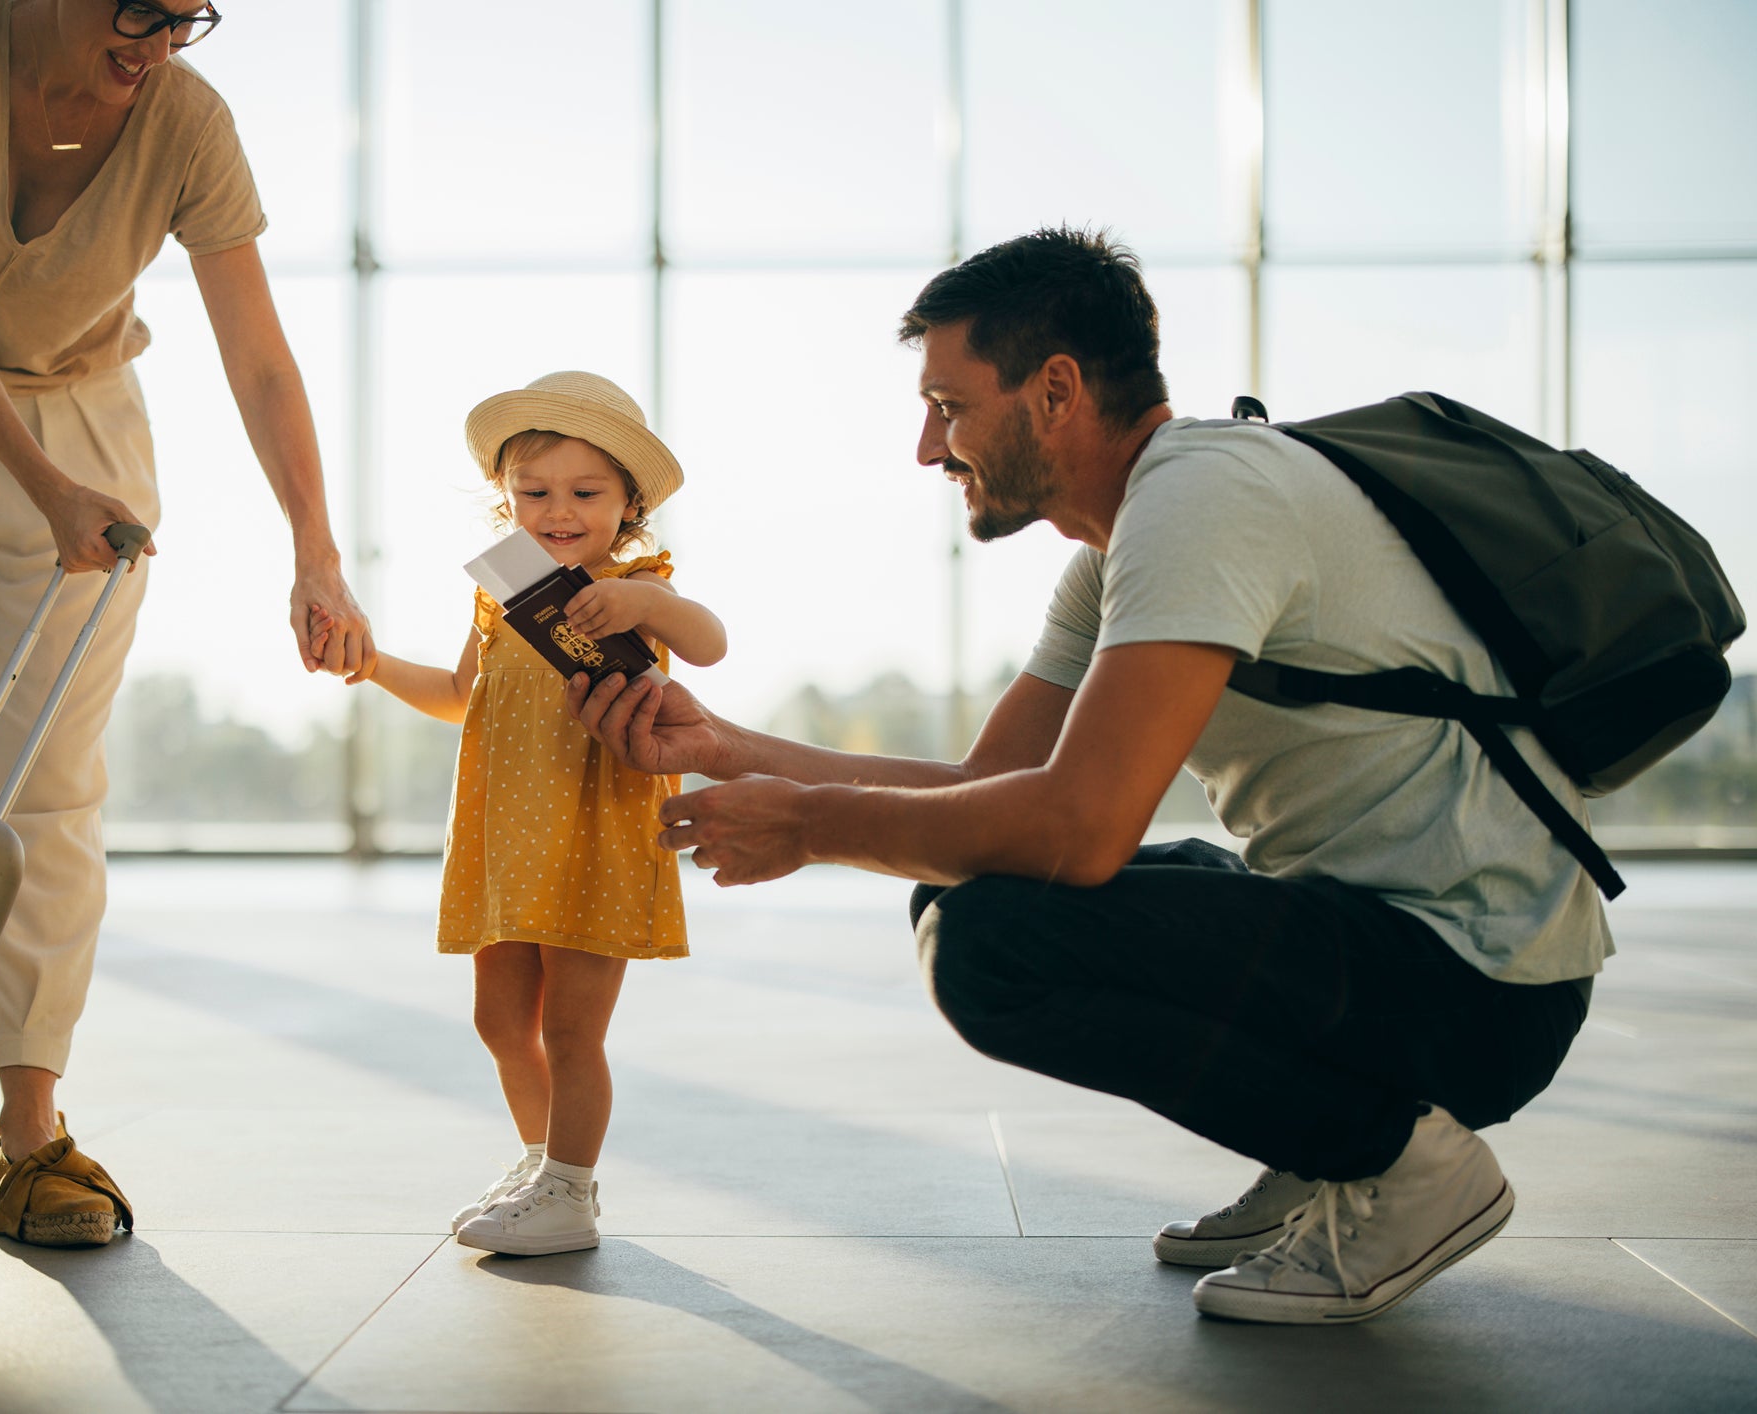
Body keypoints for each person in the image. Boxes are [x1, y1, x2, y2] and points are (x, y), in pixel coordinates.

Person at [569, 227, 1608, 1324]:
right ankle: (1322, 1148)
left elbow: (1080, 828)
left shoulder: (1201, 499)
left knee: (991, 942)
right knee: (975, 884)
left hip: (1480, 988)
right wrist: (724, 747)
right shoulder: (1117, 546)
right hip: (1385, 940)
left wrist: (811, 826)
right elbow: (983, 786)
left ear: (1054, 389)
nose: (927, 447)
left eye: (949, 405)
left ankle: (1398, 1163)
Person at [0, 0, 372, 1247]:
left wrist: (315, 548)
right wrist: (36, 487)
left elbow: (262, 357)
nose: (163, 41)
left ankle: (29, 1124)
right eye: (141, 10)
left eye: (190, 18)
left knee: (46, 775)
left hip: (78, 429)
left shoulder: (185, 124)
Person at [316, 371, 725, 1256]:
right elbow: (464, 693)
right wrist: (371, 664)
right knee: (501, 1022)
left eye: (586, 492)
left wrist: (643, 604)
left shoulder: (638, 582)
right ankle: (543, 1165)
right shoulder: (507, 590)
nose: (558, 511)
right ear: (505, 499)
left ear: (629, 501)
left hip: (594, 834)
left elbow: (709, 642)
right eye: (533, 492)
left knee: (574, 1028)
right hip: (507, 838)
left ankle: (571, 1192)